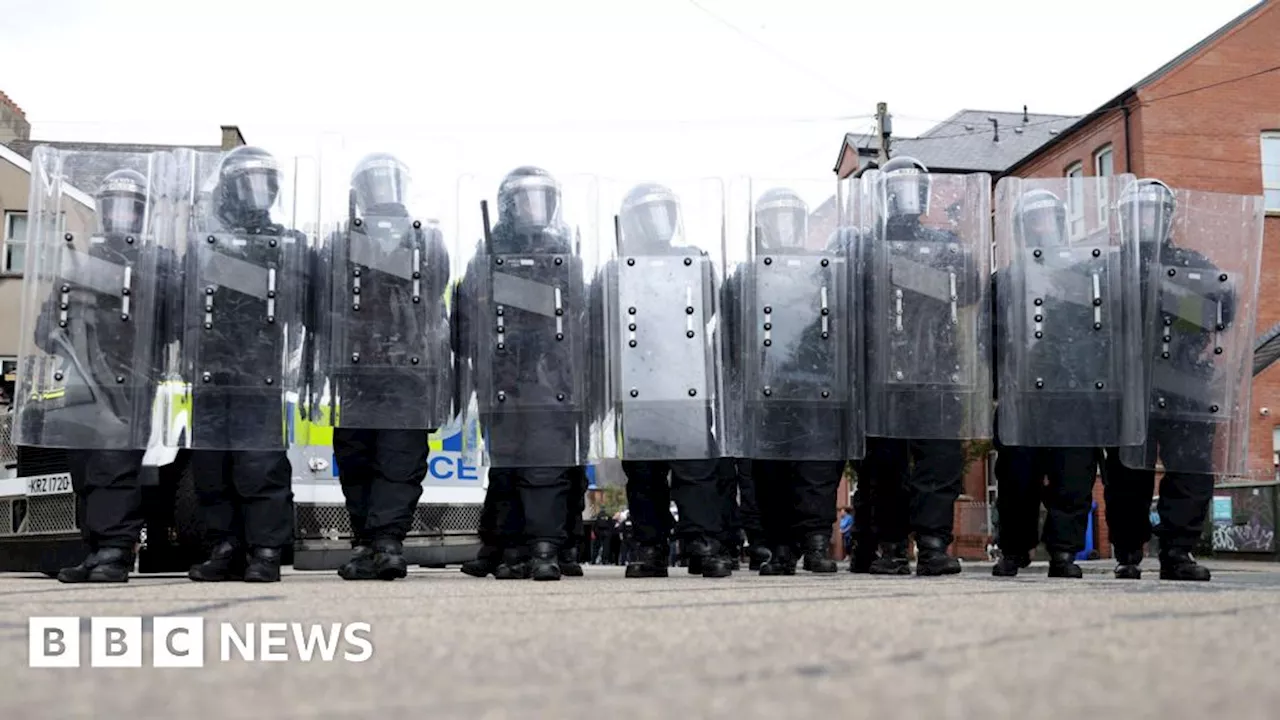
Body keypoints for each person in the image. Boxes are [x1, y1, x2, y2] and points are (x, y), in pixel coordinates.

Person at [19, 157, 174, 583]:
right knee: (84, 469)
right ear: (104, 210)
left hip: (130, 382)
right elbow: (44, 328)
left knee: (114, 465)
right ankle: (94, 547)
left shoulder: (157, 266)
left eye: (131, 207)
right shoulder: (81, 264)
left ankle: (115, 550)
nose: (123, 215)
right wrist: (68, 329)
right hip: (81, 385)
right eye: (116, 206)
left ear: (142, 215)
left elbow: (176, 326)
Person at [1102, 179, 1246, 582]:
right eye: (1138, 213)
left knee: (1192, 468)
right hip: (1128, 383)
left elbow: (1221, 312)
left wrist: (1165, 293)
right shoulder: (1108, 265)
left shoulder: (1194, 264)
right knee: (1127, 472)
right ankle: (1128, 549)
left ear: (1167, 218)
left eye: (1153, 213)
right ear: (1125, 218)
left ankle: (1177, 551)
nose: (1145, 221)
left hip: (1184, 383)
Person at [318, 153, 452, 581]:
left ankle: (385, 543)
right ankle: (370, 543)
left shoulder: (424, 241)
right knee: (357, 457)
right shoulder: (340, 241)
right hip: (357, 371)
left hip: (405, 373)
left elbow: (434, 295)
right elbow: (322, 304)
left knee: (397, 460)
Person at [991, 186, 1135, 578]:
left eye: (1047, 220)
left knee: (1072, 480)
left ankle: (1063, 552)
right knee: (1017, 481)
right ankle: (1013, 549)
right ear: (1022, 229)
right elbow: (989, 338)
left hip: (1077, 394)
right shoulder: (1005, 279)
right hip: (1022, 395)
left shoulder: (1089, 275)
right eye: (1033, 221)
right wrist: (993, 390)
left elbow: (1108, 332)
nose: (1042, 229)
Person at [591, 183, 731, 579]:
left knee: (697, 470)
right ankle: (649, 545)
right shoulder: (616, 269)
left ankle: (703, 543)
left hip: (685, 379)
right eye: (650, 214)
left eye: (666, 212)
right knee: (644, 473)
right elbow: (602, 329)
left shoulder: (694, 261)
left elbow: (708, 310)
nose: (660, 222)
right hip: (636, 387)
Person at [456, 166, 586, 581]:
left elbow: (578, 317)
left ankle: (546, 546)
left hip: (549, 379)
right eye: (528, 198)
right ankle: (505, 545)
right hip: (502, 378)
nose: (537, 207)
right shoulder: (485, 257)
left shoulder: (562, 255)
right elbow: (465, 323)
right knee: (507, 467)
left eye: (544, 197)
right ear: (508, 205)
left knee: (546, 464)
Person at [860, 156, 989, 577]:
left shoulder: (944, 244)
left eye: (914, 185)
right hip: (883, 375)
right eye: (897, 187)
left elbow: (969, 288)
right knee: (885, 467)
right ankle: (891, 546)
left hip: (937, 369)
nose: (906, 195)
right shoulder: (866, 246)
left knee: (939, 462)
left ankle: (933, 544)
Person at [184, 146, 300, 583]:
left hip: (259, 374)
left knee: (259, 466)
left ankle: (265, 551)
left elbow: (303, 304)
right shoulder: (202, 245)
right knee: (211, 469)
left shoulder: (287, 245)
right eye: (248, 183)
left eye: (266, 183)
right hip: (211, 373)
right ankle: (225, 546)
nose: (259, 193)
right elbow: (181, 303)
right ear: (229, 190)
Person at [723, 188, 850, 576]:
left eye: (790, 217)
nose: (782, 227)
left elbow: (840, 325)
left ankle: (814, 541)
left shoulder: (824, 269)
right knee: (771, 472)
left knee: (815, 469)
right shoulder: (746, 273)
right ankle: (780, 546)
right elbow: (730, 336)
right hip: (765, 389)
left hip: (816, 386)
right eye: (774, 219)